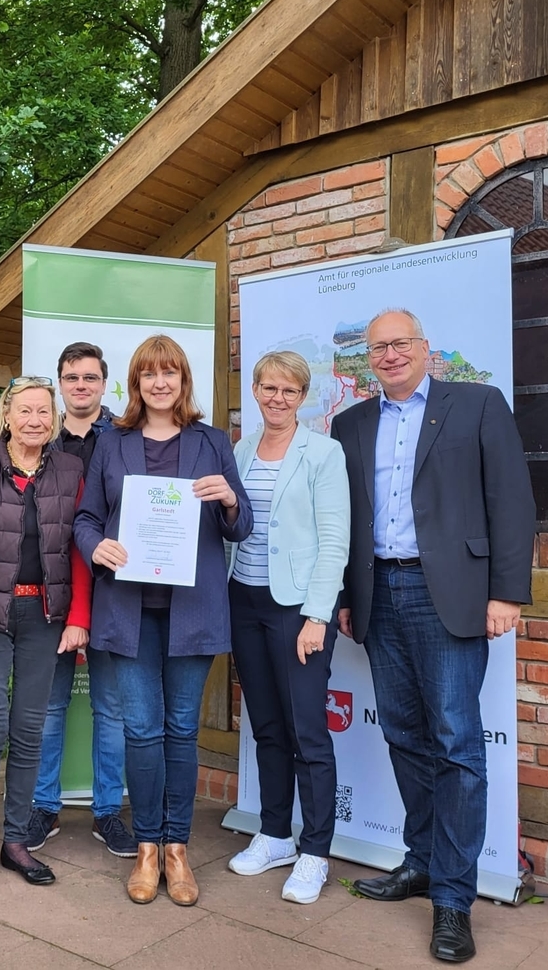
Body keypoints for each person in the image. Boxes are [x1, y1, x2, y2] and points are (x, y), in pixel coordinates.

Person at [330, 309, 535, 963]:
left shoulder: (475, 405)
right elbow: (343, 520)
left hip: (448, 594)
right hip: (377, 594)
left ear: (424, 349)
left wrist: (506, 592)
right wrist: (342, 597)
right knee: (401, 733)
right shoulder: (350, 424)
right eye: (377, 348)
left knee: (456, 744)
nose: (389, 355)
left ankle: (452, 898)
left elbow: (511, 499)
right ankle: (420, 861)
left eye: (400, 344)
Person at [73, 335, 252, 906]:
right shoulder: (112, 443)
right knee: (141, 729)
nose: (160, 382)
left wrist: (227, 499)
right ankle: (147, 846)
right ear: (135, 383)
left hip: (191, 611)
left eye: (169, 373)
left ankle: (178, 848)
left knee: (180, 729)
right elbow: (85, 517)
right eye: (149, 374)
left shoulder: (212, 442)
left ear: (183, 381)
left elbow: (240, 526)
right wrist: (96, 545)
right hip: (129, 612)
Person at [0, 376, 91, 893]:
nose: (35, 420)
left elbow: (77, 551)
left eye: (43, 413)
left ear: (54, 419)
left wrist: (80, 618)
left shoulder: (71, 471)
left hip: (45, 618)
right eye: (25, 411)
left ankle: (17, 842)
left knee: (29, 731)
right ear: (6, 416)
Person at [225, 351, 350, 905]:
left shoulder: (324, 452)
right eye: (268, 388)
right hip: (244, 602)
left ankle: (315, 851)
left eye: (289, 391)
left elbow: (334, 541)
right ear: (255, 390)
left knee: (308, 734)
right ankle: (275, 833)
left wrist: (316, 616)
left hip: (296, 608)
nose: (277, 398)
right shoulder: (242, 448)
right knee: (268, 727)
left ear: (304, 397)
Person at [27, 342, 137, 859]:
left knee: (109, 708)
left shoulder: (124, 438)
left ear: (104, 383)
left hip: (115, 587)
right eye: (71, 377)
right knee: (48, 708)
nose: (80, 386)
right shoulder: (37, 439)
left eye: (90, 377)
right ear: (60, 382)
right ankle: (43, 808)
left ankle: (107, 813)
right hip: (49, 590)